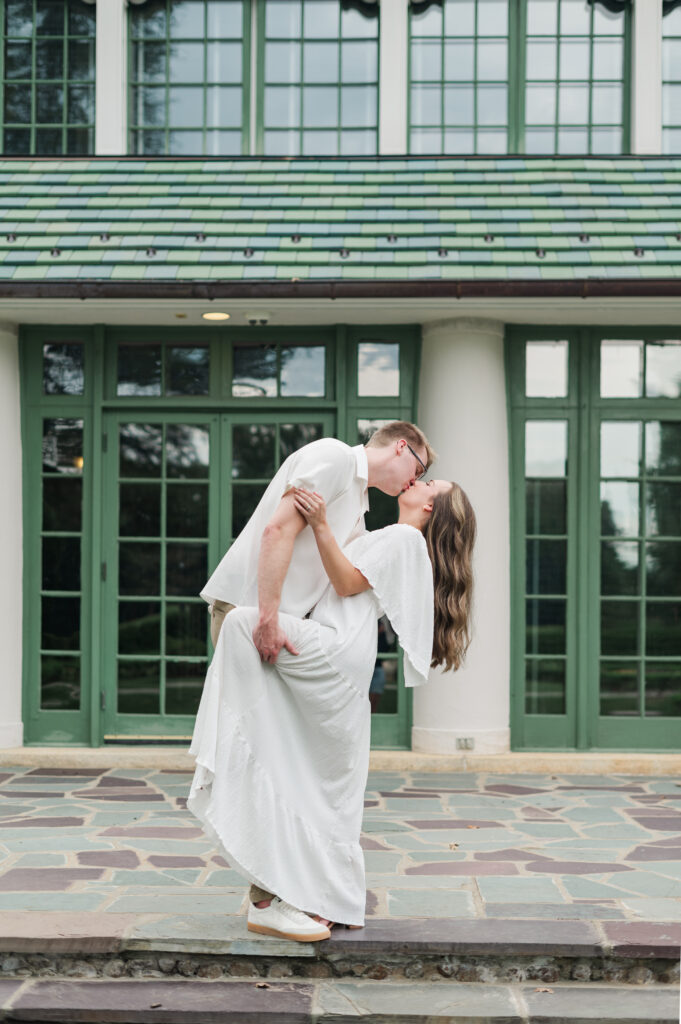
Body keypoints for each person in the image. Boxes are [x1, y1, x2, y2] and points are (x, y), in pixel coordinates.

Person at [187, 475, 476, 942]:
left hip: (336, 648)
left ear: (430, 510)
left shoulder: (405, 538)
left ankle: (226, 743)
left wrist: (320, 522)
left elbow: (344, 583)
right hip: (340, 654)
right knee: (325, 789)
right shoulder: (388, 536)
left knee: (242, 623)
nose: (418, 480)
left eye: (430, 484)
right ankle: (327, 897)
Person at [201, 422, 435, 660]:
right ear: (401, 447)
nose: (415, 481)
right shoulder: (336, 457)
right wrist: (268, 619)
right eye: (417, 469)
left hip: (277, 622)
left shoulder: (358, 499)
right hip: (249, 613)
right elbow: (278, 530)